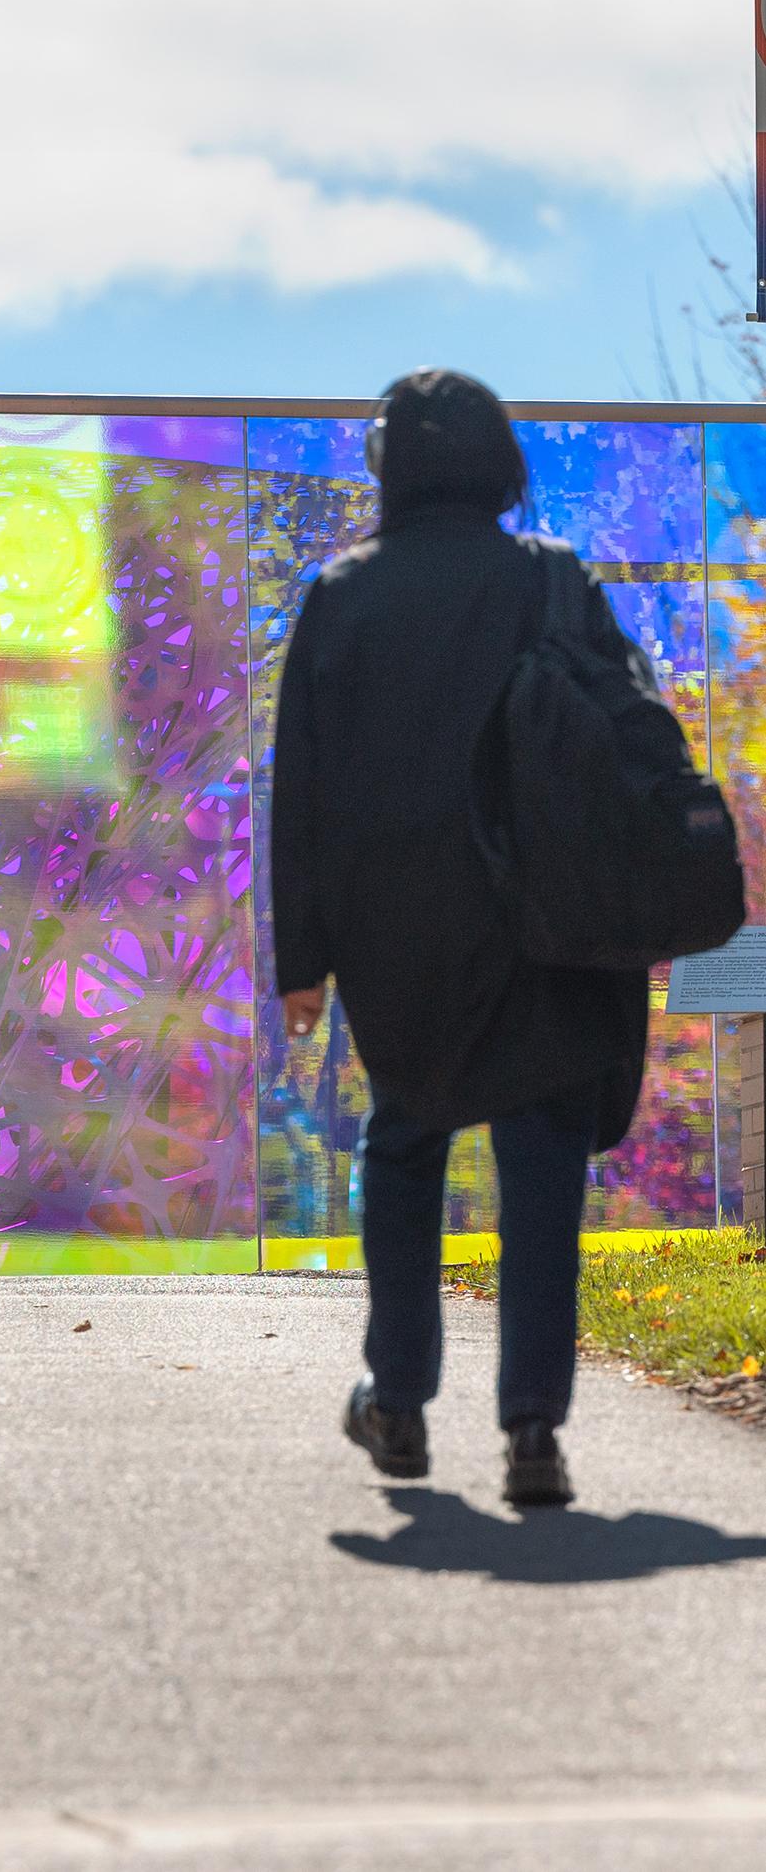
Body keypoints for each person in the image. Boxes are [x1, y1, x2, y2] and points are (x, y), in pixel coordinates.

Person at [272, 370, 648, 1508]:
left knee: (404, 1144)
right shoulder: (553, 579)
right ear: (499, 463)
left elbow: (304, 791)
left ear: (390, 463)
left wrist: (303, 962)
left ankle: (398, 1398)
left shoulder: (342, 597)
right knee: (541, 1167)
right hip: (551, 919)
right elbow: (624, 738)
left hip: (401, 925)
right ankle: (533, 1428)